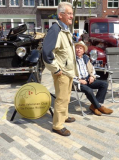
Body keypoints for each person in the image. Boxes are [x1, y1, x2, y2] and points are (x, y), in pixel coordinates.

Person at [42, 2, 78, 136]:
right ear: (60, 15)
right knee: (61, 98)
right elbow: (46, 52)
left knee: (66, 97)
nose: (72, 16)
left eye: (72, 13)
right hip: (61, 72)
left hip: (68, 70)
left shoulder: (64, 28)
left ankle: (64, 116)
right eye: (69, 13)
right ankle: (57, 125)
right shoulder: (55, 29)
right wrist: (55, 69)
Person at [75, 41, 113, 116]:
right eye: (77, 48)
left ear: (83, 51)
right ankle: (99, 107)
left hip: (88, 79)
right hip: (78, 82)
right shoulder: (72, 60)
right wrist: (79, 80)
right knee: (89, 90)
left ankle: (94, 106)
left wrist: (92, 76)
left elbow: (92, 69)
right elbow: (69, 72)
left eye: (80, 48)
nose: (78, 50)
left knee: (104, 84)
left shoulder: (86, 58)